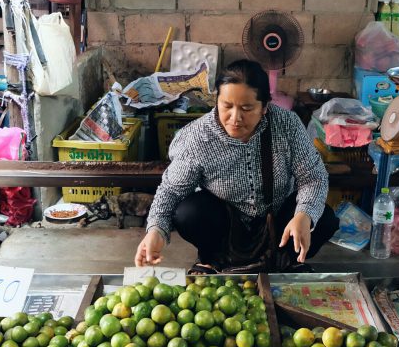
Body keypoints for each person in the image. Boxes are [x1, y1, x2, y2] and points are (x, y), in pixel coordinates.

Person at [135, 60, 339, 273]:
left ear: (265, 107)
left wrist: (303, 215)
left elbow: (313, 176)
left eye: (246, 108)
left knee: (323, 218)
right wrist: (155, 231)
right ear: (217, 101)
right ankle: (212, 259)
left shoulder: (286, 124)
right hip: (226, 227)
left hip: (277, 222)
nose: (235, 118)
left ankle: (287, 259)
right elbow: (170, 191)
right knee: (189, 213)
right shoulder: (198, 138)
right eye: (227, 106)